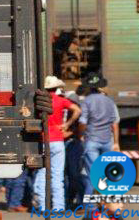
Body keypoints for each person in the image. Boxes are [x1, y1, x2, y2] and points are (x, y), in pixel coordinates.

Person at [33, 75, 81, 211]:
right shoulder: (61, 100)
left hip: (43, 140)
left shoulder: (39, 102)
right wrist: (67, 124)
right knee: (57, 176)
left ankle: (42, 206)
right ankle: (59, 207)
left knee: (43, 174)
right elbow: (78, 110)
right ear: (57, 87)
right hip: (58, 141)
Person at [79, 72, 121, 198]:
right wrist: (116, 142)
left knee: (93, 174)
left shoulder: (87, 101)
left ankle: (91, 208)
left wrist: (81, 134)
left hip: (92, 140)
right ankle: (107, 204)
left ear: (88, 87)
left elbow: (83, 121)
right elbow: (114, 124)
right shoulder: (109, 101)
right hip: (107, 140)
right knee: (106, 173)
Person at [63, 91, 85, 209]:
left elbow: (80, 127)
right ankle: (69, 200)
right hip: (63, 142)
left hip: (73, 143)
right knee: (65, 174)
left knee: (74, 174)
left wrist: (70, 133)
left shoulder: (78, 112)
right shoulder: (64, 110)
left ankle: (79, 201)